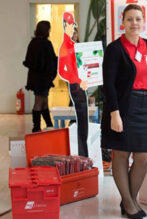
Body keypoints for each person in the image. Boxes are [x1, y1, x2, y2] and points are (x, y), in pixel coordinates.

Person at [101, 4, 147, 219]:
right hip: (123, 108)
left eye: (138, 19)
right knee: (122, 154)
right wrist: (114, 113)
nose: (134, 23)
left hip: (144, 108)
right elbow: (109, 84)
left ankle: (129, 199)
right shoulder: (115, 49)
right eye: (130, 19)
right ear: (123, 22)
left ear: (143, 22)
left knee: (143, 156)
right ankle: (129, 202)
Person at [58, 12, 89, 157]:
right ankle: (83, 156)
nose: (72, 29)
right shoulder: (65, 47)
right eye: (70, 25)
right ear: (65, 25)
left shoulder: (74, 46)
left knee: (84, 123)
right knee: (82, 122)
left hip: (81, 85)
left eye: (73, 25)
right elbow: (63, 72)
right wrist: (78, 80)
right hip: (76, 87)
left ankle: (84, 155)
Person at [23, 21, 57, 132]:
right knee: (39, 102)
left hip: (35, 78)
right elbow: (52, 62)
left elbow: (28, 61)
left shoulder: (32, 43)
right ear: (46, 30)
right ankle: (36, 127)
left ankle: (48, 125)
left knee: (43, 102)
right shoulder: (47, 44)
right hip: (44, 79)